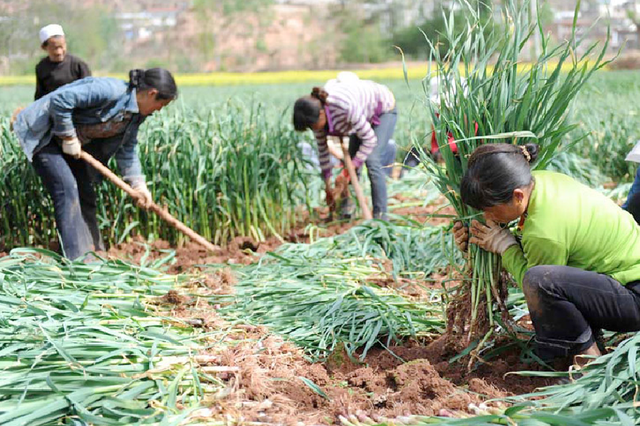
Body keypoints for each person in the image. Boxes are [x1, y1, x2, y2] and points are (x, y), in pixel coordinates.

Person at [453, 143, 640, 366]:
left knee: (540, 281)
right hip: (620, 279)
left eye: (490, 209)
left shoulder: (545, 232)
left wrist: (505, 247)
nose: (487, 216)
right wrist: (485, 240)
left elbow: (535, 283)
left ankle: (588, 361)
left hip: (633, 297)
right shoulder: (541, 182)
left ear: (517, 196)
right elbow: (533, 238)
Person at [13, 68, 177, 260]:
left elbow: (127, 150)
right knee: (66, 188)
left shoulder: (136, 116)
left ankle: (94, 252)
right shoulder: (109, 90)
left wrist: (138, 184)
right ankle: (78, 260)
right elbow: (61, 100)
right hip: (44, 134)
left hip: (72, 145)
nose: (159, 110)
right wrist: (68, 135)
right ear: (152, 94)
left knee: (86, 192)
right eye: (162, 104)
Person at [293, 79, 397, 220]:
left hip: (383, 109)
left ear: (322, 114)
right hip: (359, 117)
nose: (314, 129)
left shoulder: (344, 107)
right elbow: (323, 151)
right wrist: (328, 183)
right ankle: (347, 211)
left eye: (313, 125)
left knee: (372, 160)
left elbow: (369, 140)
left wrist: (351, 167)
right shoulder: (316, 121)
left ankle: (381, 216)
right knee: (350, 166)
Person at [35, 24, 91, 100]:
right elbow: (40, 96)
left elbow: (89, 92)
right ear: (44, 47)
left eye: (61, 47)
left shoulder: (78, 65)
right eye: (55, 48)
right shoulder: (41, 68)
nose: (59, 52)